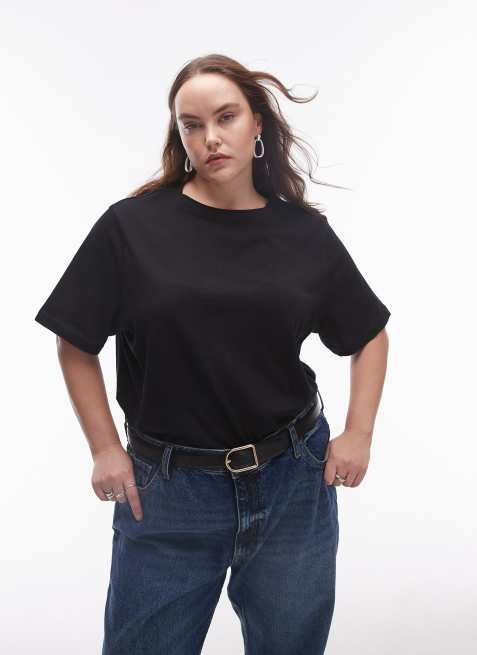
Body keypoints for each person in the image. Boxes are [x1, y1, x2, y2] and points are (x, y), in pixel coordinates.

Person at [34, 53, 391, 655]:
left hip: (292, 483)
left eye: (226, 117)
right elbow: (75, 342)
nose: (210, 138)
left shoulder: (303, 234)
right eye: (192, 125)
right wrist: (104, 449)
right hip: (169, 491)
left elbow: (369, 334)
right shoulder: (131, 228)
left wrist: (358, 434)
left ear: (257, 124)